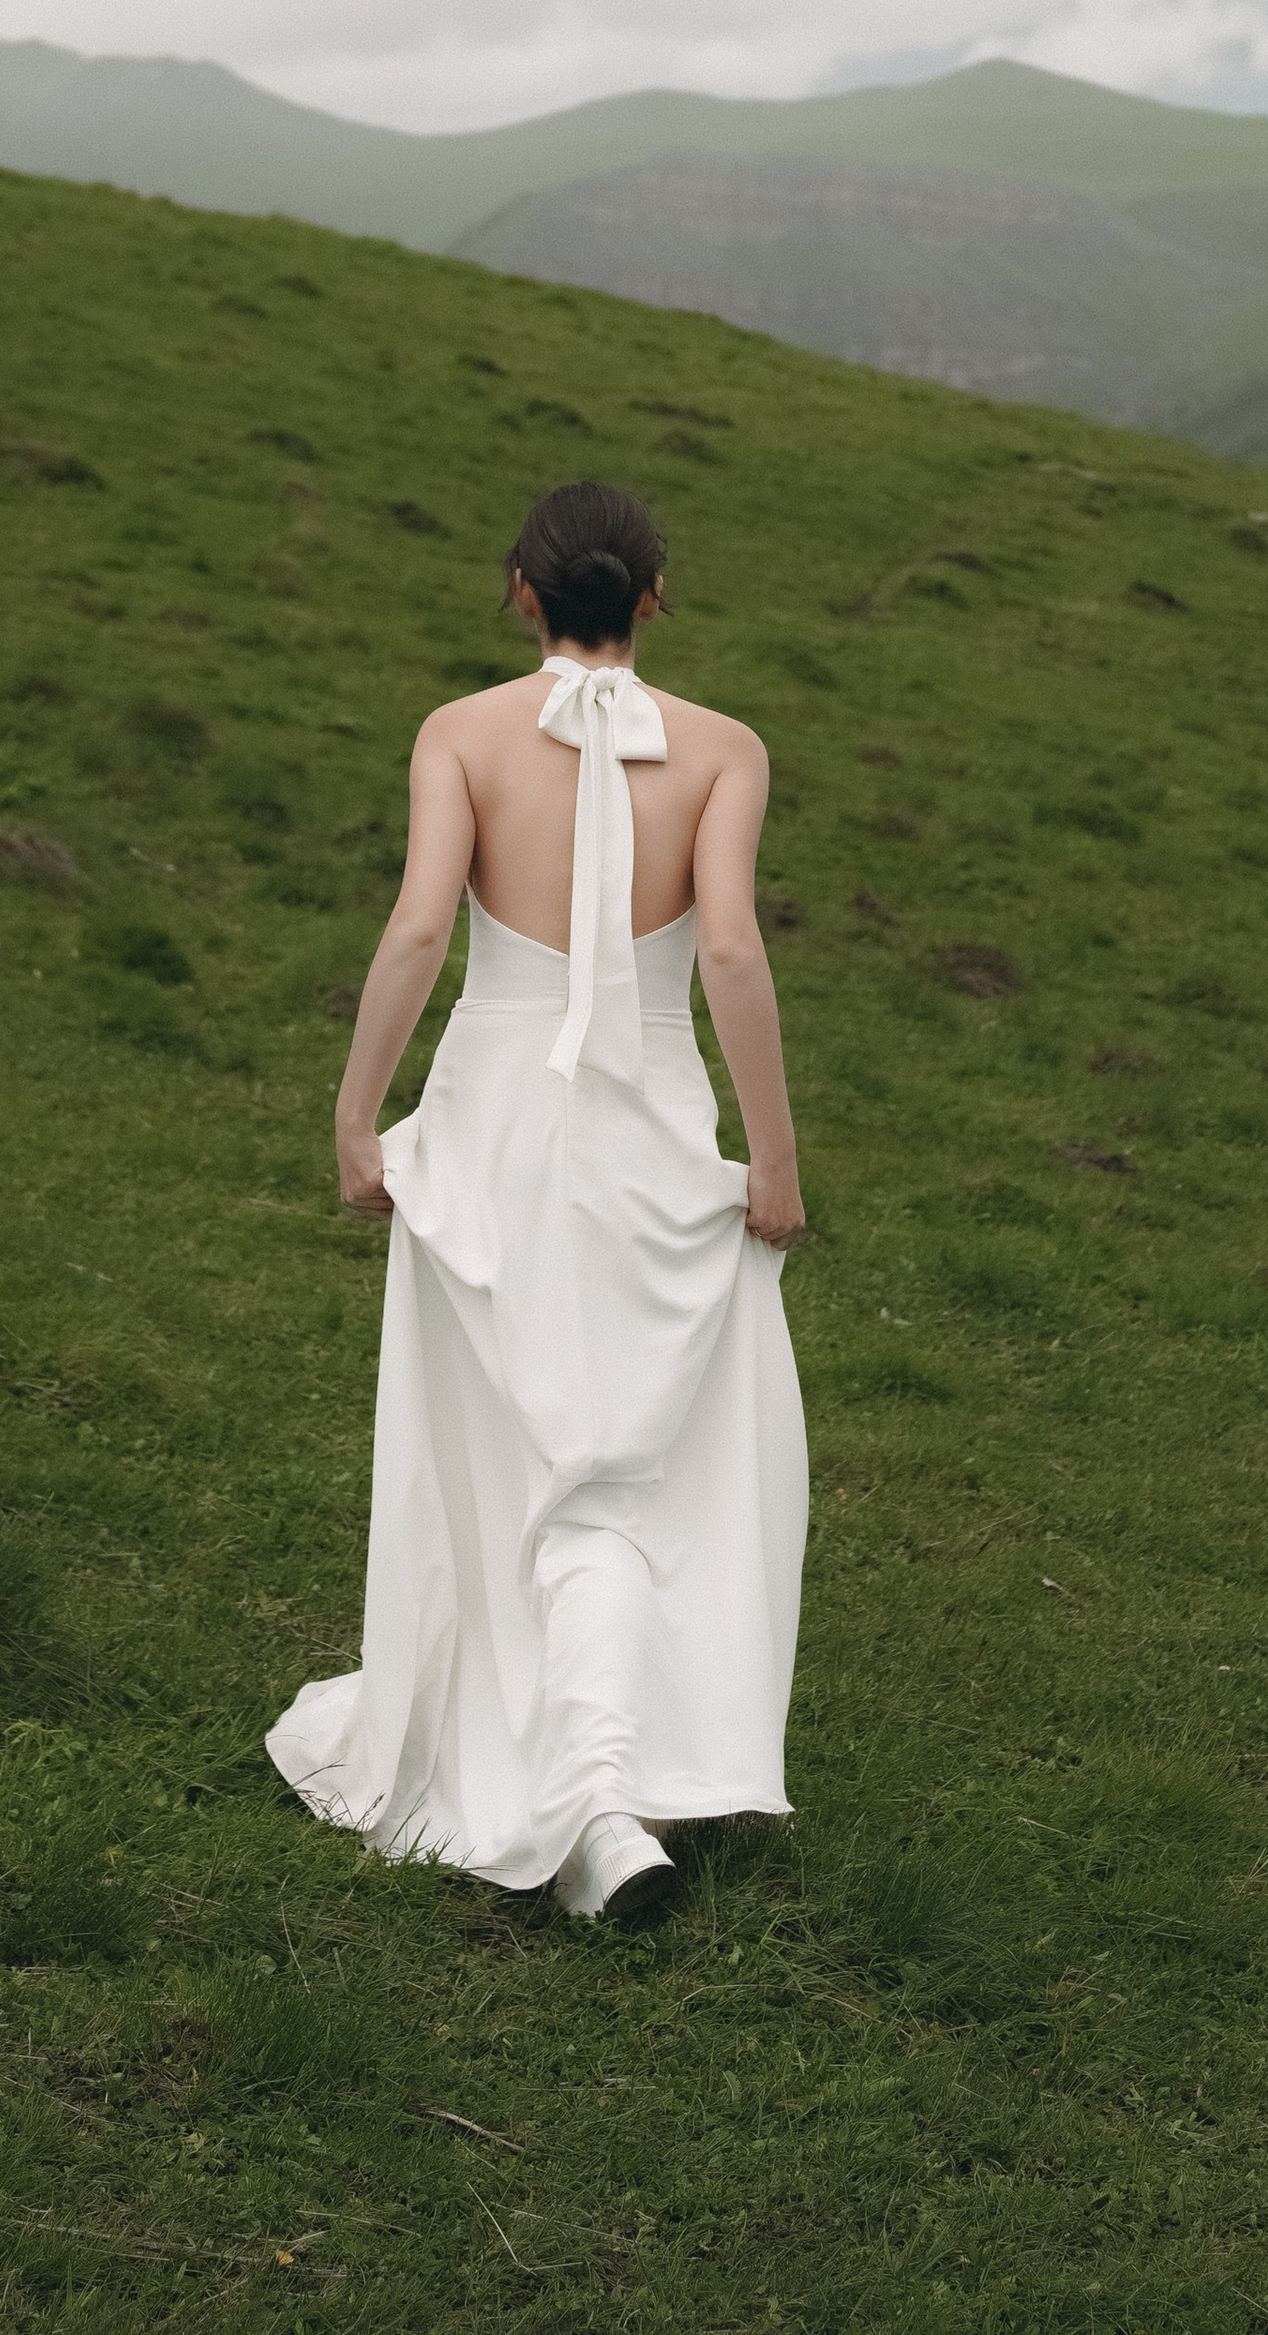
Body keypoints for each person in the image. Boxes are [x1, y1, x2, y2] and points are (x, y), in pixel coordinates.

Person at [266, 480, 809, 1925]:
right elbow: (736, 956)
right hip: (646, 1119)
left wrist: (353, 1116)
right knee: (625, 1465)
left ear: (520, 589)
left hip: (496, 1114)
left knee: (515, 1451)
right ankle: (607, 1795)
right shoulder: (727, 751)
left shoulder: (458, 734)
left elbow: (421, 926)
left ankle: (588, 1799)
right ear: (652, 599)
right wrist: (775, 1161)